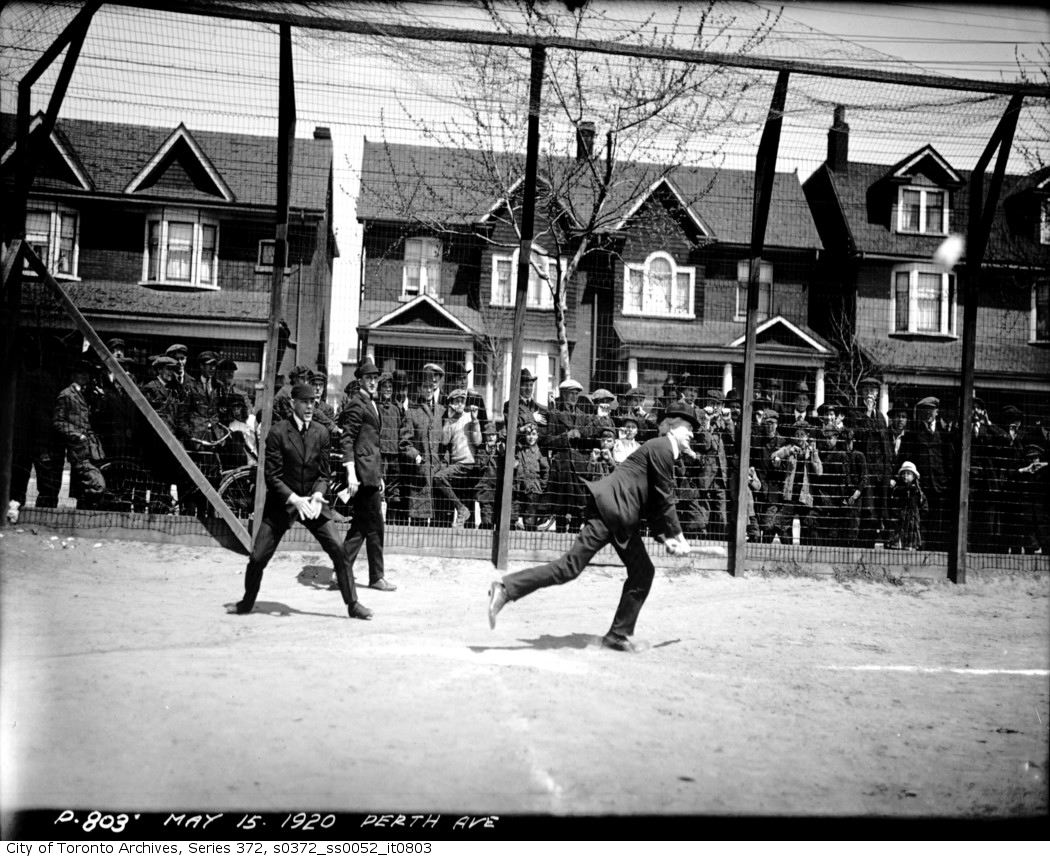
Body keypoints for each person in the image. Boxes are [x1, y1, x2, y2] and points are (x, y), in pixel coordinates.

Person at [486, 403, 699, 654]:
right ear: (672, 427)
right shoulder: (662, 447)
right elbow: (666, 498)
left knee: (642, 572)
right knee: (569, 568)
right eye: (688, 428)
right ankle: (505, 588)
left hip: (621, 518)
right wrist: (678, 537)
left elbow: (654, 506)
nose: (692, 434)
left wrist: (668, 540)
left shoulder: (662, 450)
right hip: (610, 512)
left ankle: (618, 635)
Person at [228, 382, 373, 619]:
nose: (309, 407)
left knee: (338, 549)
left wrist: (317, 496)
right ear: (292, 403)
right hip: (284, 503)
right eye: (304, 402)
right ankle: (246, 602)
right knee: (257, 557)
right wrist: (295, 499)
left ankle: (353, 605)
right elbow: (272, 477)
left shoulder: (321, 432)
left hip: (313, 504)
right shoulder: (277, 432)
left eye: (313, 402)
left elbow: (324, 474)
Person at [338, 360, 397, 593]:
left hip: (371, 472)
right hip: (361, 474)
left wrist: (379, 475)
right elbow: (347, 440)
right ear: (360, 380)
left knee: (363, 526)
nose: (373, 382)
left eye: (375, 378)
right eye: (368, 378)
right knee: (374, 526)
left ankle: (342, 569)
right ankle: (376, 577)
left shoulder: (371, 404)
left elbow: (372, 444)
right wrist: (351, 473)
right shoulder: (356, 404)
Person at [899, 396, 954, 551]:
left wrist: (947, 481)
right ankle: (920, 549)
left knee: (938, 519)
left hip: (939, 485)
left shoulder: (944, 433)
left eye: (932, 410)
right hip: (920, 485)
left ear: (937, 412)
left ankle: (936, 552)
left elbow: (949, 459)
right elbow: (906, 458)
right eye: (926, 411)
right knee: (920, 517)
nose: (929, 414)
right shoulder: (913, 433)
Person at [53, 358, 108, 510]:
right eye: (81, 373)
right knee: (97, 485)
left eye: (86, 374)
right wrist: (77, 435)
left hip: (93, 449)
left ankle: (85, 511)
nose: (85, 377)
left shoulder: (88, 393)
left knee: (90, 486)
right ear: (73, 376)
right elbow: (58, 421)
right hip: (78, 449)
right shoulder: (66, 395)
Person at [400, 362, 447, 525]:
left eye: (431, 388)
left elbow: (446, 440)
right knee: (418, 522)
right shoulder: (411, 412)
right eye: (425, 387)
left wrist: (445, 462)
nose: (428, 390)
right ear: (419, 389)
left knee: (440, 523)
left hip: (438, 473)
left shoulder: (442, 411)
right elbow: (404, 443)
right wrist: (417, 457)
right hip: (420, 473)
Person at [434, 388, 482, 527]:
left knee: (439, 477)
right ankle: (461, 516)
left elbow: (478, 441)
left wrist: (475, 421)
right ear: (451, 404)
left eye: (462, 401)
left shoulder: (469, 417)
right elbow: (444, 441)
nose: (460, 404)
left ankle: (461, 510)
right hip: (456, 466)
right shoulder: (450, 421)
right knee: (460, 495)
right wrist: (448, 420)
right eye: (457, 401)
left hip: (467, 464)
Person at [375, 372, 407, 524]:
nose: (387, 389)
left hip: (394, 454)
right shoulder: (375, 407)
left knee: (394, 488)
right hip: (380, 453)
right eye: (384, 387)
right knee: (379, 485)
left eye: (390, 387)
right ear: (379, 389)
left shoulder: (397, 409)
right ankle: (378, 522)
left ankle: (392, 522)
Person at [512, 421, 549, 529]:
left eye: (533, 434)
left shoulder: (540, 451)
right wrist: (522, 429)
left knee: (529, 520)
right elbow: (510, 437)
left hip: (533, 489)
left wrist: (541, 486)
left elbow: (546, 469)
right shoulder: (519, 448)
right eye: (528, 434)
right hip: (518, 488)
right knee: (512, 517)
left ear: (537, 436)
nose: (531, 437)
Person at [887, 461, 928, 551]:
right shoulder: (897, 490)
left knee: (911, 539)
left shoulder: (918, 492)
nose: (905, 476)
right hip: (900, 519)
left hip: (913, 520)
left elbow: (923, 505)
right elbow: (893, 503)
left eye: (908, 474)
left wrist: (920, 515)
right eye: (904, 473)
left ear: (914, 476)